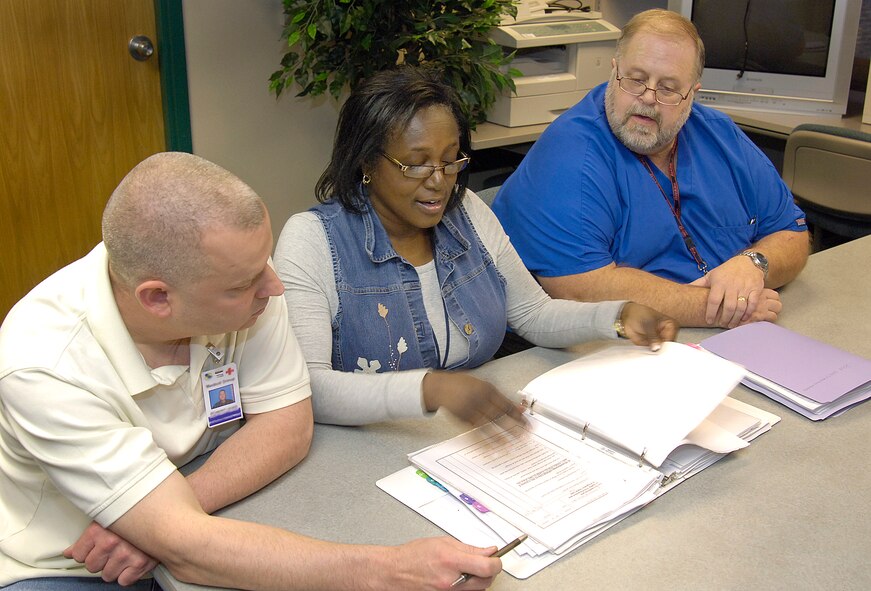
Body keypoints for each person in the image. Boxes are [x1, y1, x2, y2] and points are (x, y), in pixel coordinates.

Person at [0, 152, 506, 590]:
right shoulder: (43, 364)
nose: (275, 286)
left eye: (265, 263)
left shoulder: (246, 287)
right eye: (245, 282)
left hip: (185, 518)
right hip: (66, 565)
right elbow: (189, 551)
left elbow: (287, 425)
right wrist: (392, 570)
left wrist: (155, 520)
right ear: (158, 298)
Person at [273, 66, 678, 428]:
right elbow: (313, 389)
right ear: (365, 162)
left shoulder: (466, 212)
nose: (439, 181)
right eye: (416, 164)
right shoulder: (313, 240)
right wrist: (433, 390)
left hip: (467, 440)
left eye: (451, 161)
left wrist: (618, 317)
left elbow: (534, 314)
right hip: (366, 456)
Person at [491, 9, 809, 330]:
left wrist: (753, 263)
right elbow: (581, 289)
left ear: (691, 96)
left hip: (722, 336)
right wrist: (725, 307)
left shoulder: (720, 134)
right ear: (613, 72)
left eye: (668, 88)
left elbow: (793, 234)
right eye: (636, 79)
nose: (648, 97)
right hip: (610, 343)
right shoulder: (570, 155)